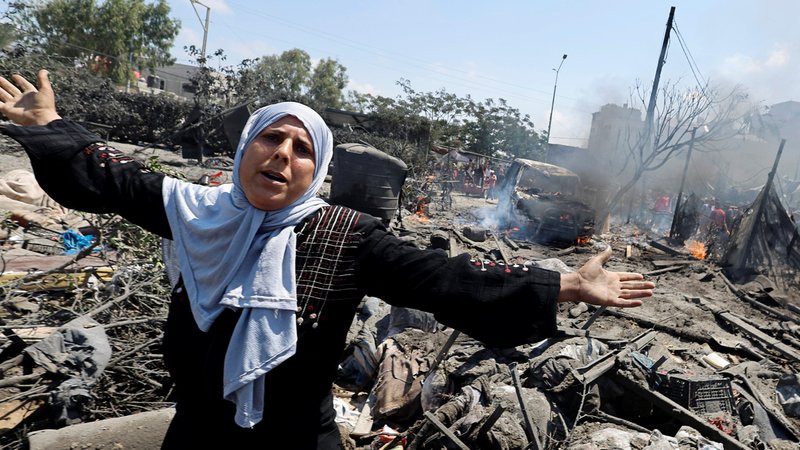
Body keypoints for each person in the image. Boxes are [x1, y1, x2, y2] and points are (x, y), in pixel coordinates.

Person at [0, 70, 654, 449]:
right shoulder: (193, 209)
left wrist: (563, 284)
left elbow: (442, 278)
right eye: (271, 138)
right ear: (246, 149)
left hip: (294, 439)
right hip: (197, 434)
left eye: (302, 149)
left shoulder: (345, 235)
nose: (282, 155)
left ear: (316, 171)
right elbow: (111, 176)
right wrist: (49, 127)